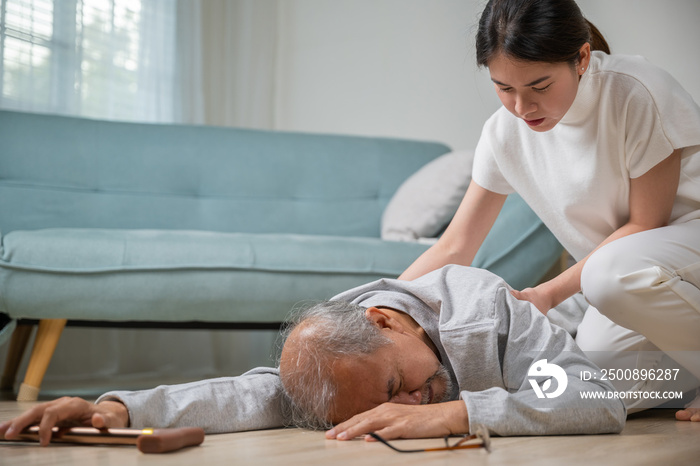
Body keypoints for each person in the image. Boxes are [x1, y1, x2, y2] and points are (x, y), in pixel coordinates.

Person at [399, 0, 700, 421]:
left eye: (539, 86)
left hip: (675, 249)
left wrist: (547, 293)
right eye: (504, 88)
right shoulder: (504, 134)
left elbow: (645, 223)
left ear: (581, 57)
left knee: (608, 277)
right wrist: (372, 307)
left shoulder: (635, 89)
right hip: (629, 281)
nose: (523, 108)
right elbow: (455, 245)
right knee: (591, 389)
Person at [1, 265, 625, 445]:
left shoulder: (482, 307)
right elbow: (256, 392)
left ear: (387, 322)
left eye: (391, 388)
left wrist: (454, 414)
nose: (406, 408)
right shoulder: (342, 350)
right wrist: (113, 406)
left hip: (626, 358)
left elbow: (594, 401)